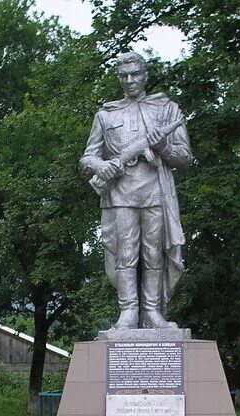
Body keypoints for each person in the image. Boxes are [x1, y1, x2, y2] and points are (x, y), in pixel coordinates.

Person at [80, 52, 192, 330]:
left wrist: (161, 146)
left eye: (135, 74)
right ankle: (128, 312)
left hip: (156, 194)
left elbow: (184, 157)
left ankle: (153, 312)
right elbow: (87, 158)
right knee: (125, 253)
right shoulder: (106, 114)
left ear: (145, 75)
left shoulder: (167, 110)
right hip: (119, 195)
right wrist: (101, 166)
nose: (130, 81)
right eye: (124, 76)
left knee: (154, 254)